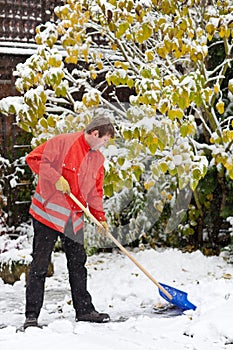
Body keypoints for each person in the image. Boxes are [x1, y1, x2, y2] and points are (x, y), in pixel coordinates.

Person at [23, 116, 115, 329]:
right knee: (40, 264)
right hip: (47, 214)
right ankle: (31, 317)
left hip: (72, 218)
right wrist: (55, 178)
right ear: (94, 134)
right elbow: (34, 158)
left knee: (77, 263)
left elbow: (95, 192)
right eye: (105, 140)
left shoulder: (97, 160)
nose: (105, 145)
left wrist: (100, 218)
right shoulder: (63, 142)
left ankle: (84, 311)